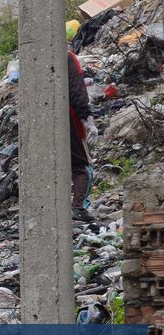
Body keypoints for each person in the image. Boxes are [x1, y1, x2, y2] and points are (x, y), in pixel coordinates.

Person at [66, 35, 98, 222]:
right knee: (82, 166)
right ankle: (78, 207)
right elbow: (77, 91)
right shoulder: (68, 58)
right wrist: (88, 120)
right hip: (70, 119)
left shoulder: (37, 60)